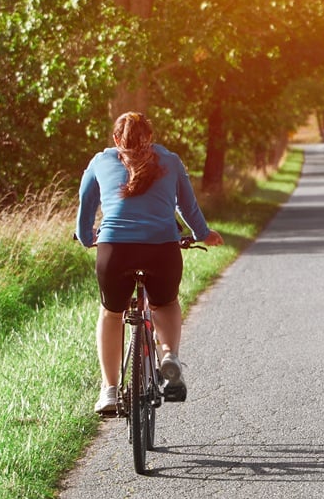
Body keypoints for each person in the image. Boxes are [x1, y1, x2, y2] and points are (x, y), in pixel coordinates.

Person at [76, 111, 223, 414]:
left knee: (111, 313)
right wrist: (203, 234)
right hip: (162, 250)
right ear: (151, 137)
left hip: (115, 251)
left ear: (117, 139)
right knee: (164, 304)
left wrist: (87, 238)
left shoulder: (100, 161)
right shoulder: (170, 160)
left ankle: (110, 391)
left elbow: (86, 208)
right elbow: (187, 205)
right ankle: (169, 356)